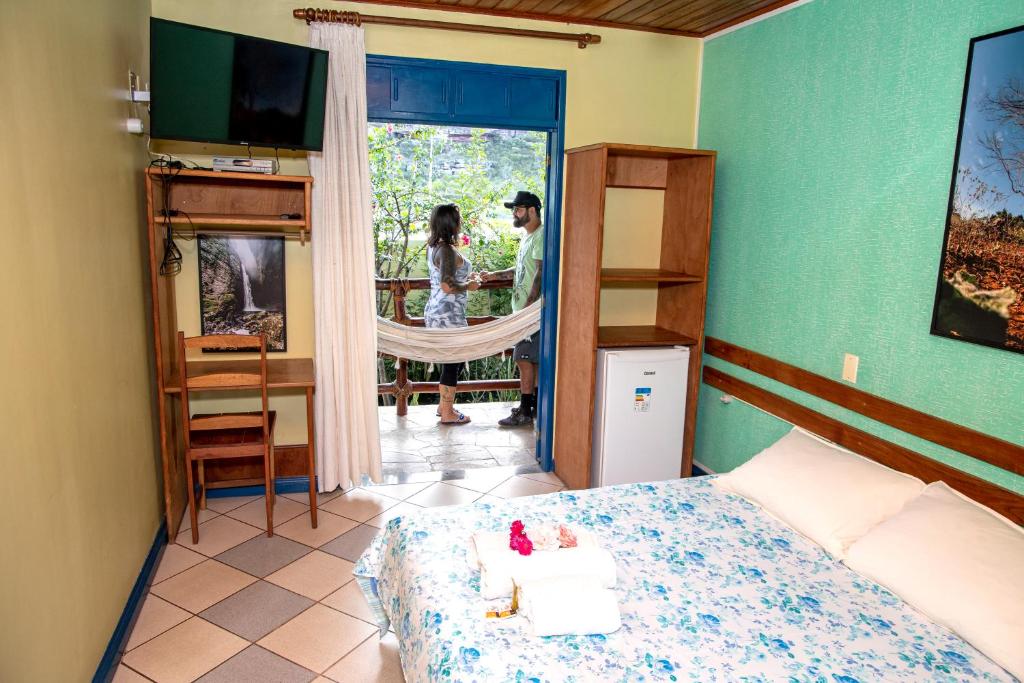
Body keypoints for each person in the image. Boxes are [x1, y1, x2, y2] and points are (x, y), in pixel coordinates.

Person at [481, 190, 544, 427]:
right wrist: (493, 276)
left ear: (532, 210)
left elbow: (540, 273)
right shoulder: (528, 237)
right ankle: (534, 407)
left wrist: (527, 311)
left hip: (530, 314)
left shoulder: (541, 235)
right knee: (531, 360)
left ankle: (526, 410)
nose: (514, 214)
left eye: (518, 209)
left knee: (523, 359)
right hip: (524, 313)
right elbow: (521, 269)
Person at [424, 204, 480, 425]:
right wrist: (470, 285)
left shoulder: (434, 247)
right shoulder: (446, 249)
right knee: (453, 361)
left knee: (452, 361)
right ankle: (447, 412)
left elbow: (446, 279)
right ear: (452, 223)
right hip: (448, 315)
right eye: (459, 218)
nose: (461, 222)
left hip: (438, 312)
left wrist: (468, 277)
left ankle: (443, 406)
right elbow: (447, 286)